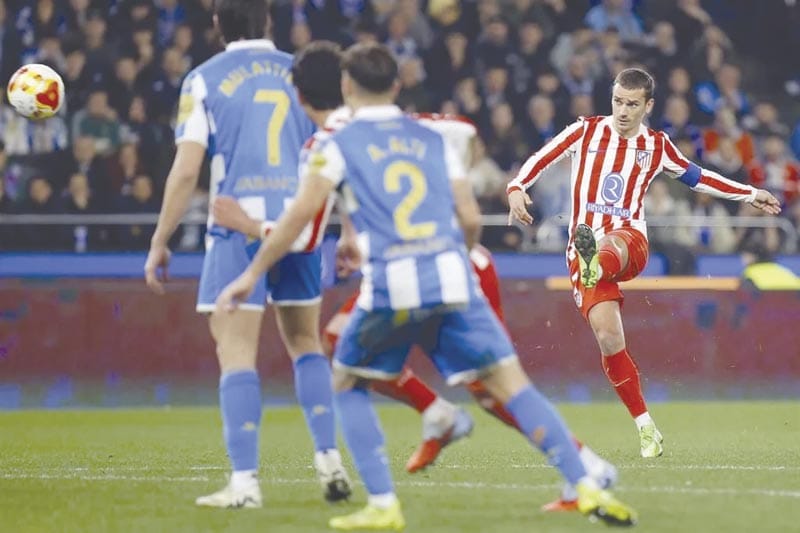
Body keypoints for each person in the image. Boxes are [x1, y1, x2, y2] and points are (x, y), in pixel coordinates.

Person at [216, 42, 637, 531]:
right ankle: (585, 481)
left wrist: (248, 274)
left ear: (348, 87)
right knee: (507, 383)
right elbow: (469, 216)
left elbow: (297, 223)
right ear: (397, 86)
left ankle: (382, 503)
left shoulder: (331, 144)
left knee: (347, 380)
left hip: (393, 285)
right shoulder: (435, 135)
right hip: (454, 276)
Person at [507, 67, 781, 458]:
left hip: (627, 243)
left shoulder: (657, 145)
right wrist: (516, 187)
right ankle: (646, 427)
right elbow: (542, 157)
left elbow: (699, 177)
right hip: (583, 250)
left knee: (613, 244)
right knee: (609, 338)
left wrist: (749, 192)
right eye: (618, 101)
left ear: (648, 106)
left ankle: (595, 262)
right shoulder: (584, 131)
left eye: (632, 104)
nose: (622, 111)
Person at [143, 0, 350, 509]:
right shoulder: (299, 72)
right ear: (269, 23)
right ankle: (329, 461)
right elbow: (336, 147)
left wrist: (160, 239)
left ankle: (245, 483)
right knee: (306, 344)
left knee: (236, 354)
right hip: (299, 226)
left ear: (217, 25)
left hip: (237, 228)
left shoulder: (203, 78)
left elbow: (187, 169)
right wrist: (349, 224)